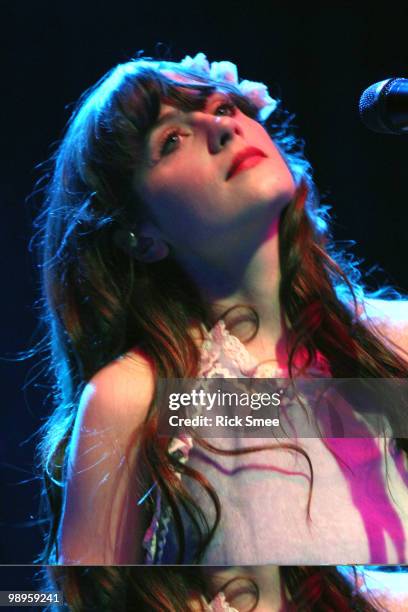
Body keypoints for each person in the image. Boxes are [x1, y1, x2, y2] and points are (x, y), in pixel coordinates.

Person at [35, 51, 408, 610]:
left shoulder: (394, 340)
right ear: (140, 232)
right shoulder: (134, 396)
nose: (220, 125)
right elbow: (68, 598)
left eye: (225, 105)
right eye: (171, 140)